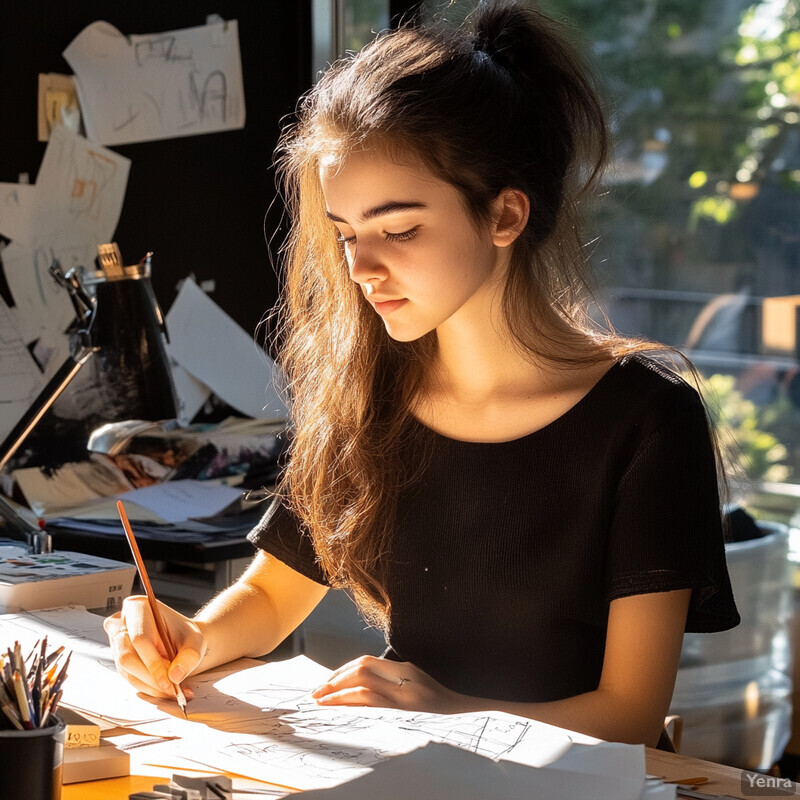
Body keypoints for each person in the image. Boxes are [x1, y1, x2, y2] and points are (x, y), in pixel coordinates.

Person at [105, 0, 739, 749]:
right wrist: (194, 642)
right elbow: (273, 593)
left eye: (399, 229)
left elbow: (629, 716)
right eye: (345, 233)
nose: (361, 269)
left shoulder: (647, 420)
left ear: (505, 217)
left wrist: (452, 711)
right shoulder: (370, 395)